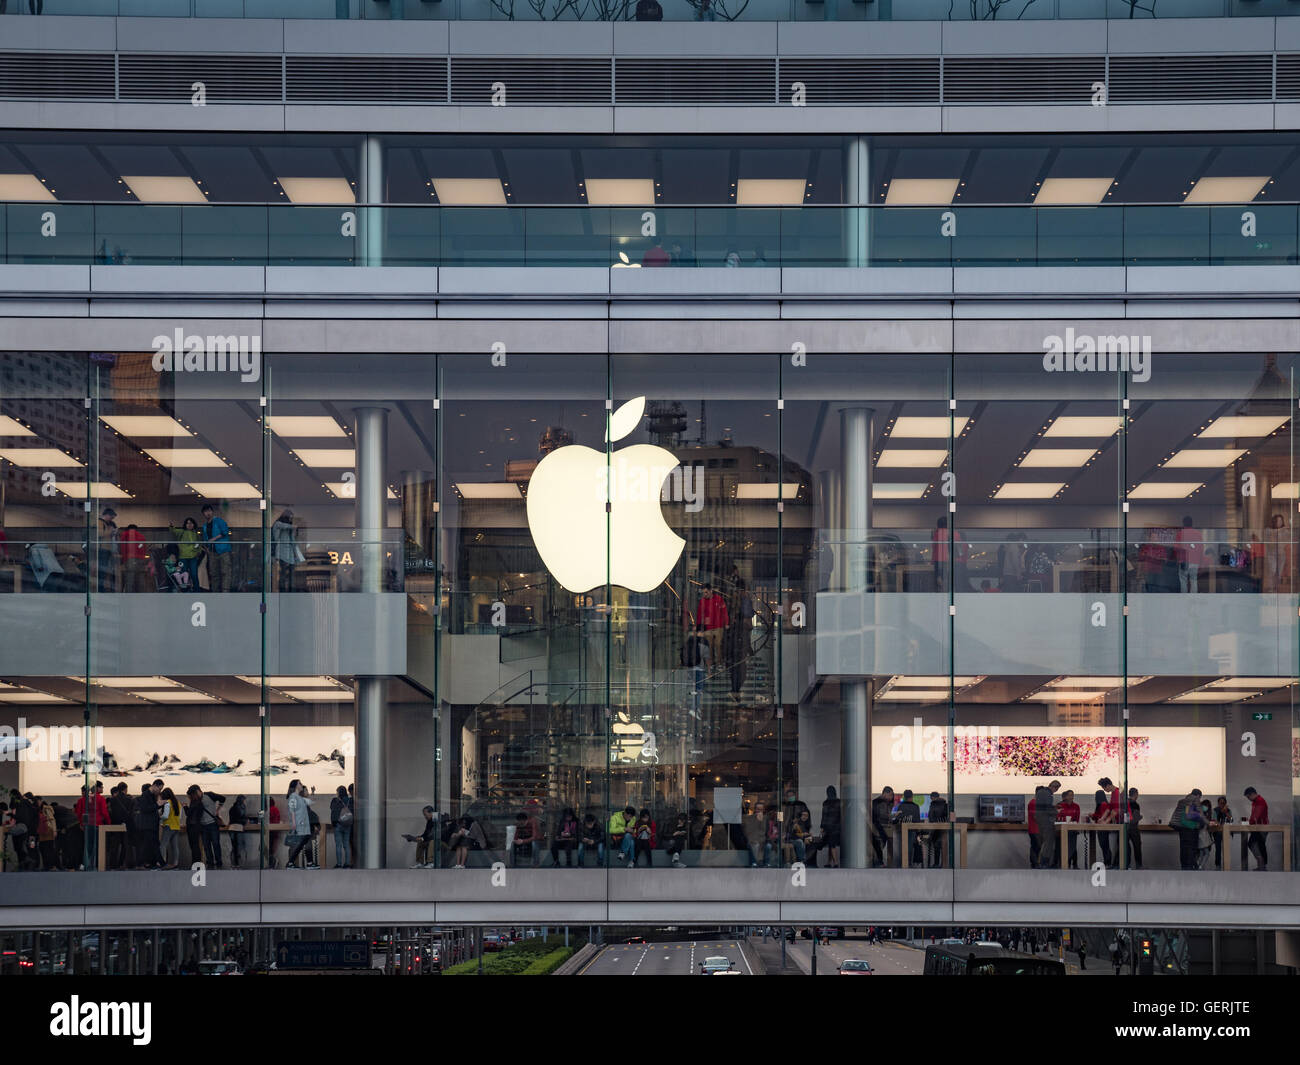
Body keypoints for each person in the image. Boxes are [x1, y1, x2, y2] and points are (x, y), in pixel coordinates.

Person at [1170, 788, 1207, 870]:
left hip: (1182, 829)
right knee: (1191, 849)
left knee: (1183, 848)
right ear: (1198, 795)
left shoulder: (1183, 801)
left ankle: (1184, 867)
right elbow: (1192, 815)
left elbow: (1184, 815)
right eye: (1200, 797)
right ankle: (1190, 867)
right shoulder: (1194, 801)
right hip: (1190, 829)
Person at [697, 584, 730, 673]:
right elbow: (700, 615)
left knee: (718, 644)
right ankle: (711, 664)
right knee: (710, 646)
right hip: (708, 628)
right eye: (703, 593)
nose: (705, 594)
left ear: (711, 591)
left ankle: (719, 663)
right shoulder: (702, 601)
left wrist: (726, 623)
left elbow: (724, 612)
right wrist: (699, 628)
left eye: (706, 592)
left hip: (718, 627)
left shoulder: (719, 599)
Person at [200, 503, 234, 592]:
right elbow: (205, 538)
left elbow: (225, 532)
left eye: (209, 511)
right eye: (205, 511)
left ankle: (225, 592)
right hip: (212, 552)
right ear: (203, 514)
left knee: (225, 571)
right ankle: (215, 592)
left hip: (223, 550)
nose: (208, 513)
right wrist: (206, 547)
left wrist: (213, 539)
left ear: (212, 511)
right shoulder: (204, 526)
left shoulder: (219, 521)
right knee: (214, 573)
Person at [270, 508, 304, 592]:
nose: (290, 519)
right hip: (282, 551)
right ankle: (282, 590)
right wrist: (293, 527)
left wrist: (296, 554)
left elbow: (292, 540)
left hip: (290, 552)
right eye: (289, 517)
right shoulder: (278, 524)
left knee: (291, 574)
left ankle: (291, 590)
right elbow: (281, 526)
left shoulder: (289, 528)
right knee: (283, 573)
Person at [284, 780, 315, 869]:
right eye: (300, 783)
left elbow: (311, 801)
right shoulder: (293, 797)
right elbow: (291, 809)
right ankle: (290, 863)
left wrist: (312, 792)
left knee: (303, 843)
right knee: (300, 844)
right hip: (299, 825)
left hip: (304, 825)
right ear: (296, 786)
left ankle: (308, 863)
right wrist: (293, 822)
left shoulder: (300, 798)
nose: (301, 785)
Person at [134, 781, 163, 870]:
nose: (159, 791)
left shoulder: (150, 795)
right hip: (148, 825)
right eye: (159, 789)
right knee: (151, 844)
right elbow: (146, 809)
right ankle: (161, 863)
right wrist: (158, 805)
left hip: (150, 825)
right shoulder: (146, 795)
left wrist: (157, 805)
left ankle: (156, 863)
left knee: (151, 845)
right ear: (154, 786)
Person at [1092, 777, 1119, 868]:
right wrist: (1102, 819)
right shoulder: (1113, 793)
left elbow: (1115, 810)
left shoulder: (1117, 793)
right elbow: (1109, 809)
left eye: (1104, 788)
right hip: (1113, 822)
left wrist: (1105, 821)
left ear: (1108, 785)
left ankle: (1114, 864)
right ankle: (1112, 864)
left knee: (1113, 845)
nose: (1104, 790)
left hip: (1122, 821)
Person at [169, 517, 203, 591]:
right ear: (185, 525)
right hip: (183, 557)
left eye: (191, 523)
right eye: (188, 523)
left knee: (194, 575)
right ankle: (184, 592)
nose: (189, 524)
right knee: (184, 575)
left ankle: (197, 591)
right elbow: (173, 531)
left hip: (193, 557)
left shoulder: (196, 534)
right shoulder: (182, 532)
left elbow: (199, 545)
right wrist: (171, 526)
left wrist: (198, 552)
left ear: (194, 524)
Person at [1033, 780, 1060, 868]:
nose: (1055, 791)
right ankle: (1045, 863)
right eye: (1056, 789)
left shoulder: (1040, 792)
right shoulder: (1048, 794)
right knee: (1049, 842)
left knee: (1044, 842)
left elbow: (1041, 806)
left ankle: (1040, 862)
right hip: (1046, 821)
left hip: (1040, 820)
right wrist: (1056, 811)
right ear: (1054, 787)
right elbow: (1047, 808)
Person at [1243, 787, 1269, 870]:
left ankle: (1262, 865)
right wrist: (1250, 821)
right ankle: (1261, 866)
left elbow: (1256, 816)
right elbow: (1254, 816)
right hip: (1258, 827)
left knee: (1256, 845)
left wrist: (1249, 822)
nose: (1248, 799)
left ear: (1252, 794)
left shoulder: (1260, 801)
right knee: (1257, 845)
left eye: (1248, 797)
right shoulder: (1256, 801)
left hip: (1261, 827)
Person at [119, 524, 149, 593]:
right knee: (140, 579)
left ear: (128, 529)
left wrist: (123, 560)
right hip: (141, 560)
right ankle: (140, 596)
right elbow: (143, 548)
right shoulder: (141, 536)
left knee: (130, 579)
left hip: (130, 559)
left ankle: (129, 598)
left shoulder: (125, 535)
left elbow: (123, 548)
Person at [1056, 789, 1082, 870]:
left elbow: (1077, 819)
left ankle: (1074, 864)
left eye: (1072, 795)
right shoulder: (1060, 805)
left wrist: (1073, 824)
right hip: (1062, 830)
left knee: (1073, 847)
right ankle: (1063, 864)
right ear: (1065, 796)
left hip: (1072, 829)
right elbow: (1057, 817)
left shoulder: (1076, 806)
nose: (1071, 797)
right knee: (1061, 847)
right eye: (1069, 795)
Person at [328, 786, 353, 868]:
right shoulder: (350, 800)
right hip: (347, 824)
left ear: (338, 792)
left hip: (338, 825)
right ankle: (347, 864)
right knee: (346, 844)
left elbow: (332, 809)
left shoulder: (335, 800)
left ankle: (339, 864)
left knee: (338, 845)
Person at [870, 786, 895, 867]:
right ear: (885, 793)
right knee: (880, 844)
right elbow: (883, 815)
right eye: (890, 795)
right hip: (879, 827)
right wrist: (893, 815)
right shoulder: (882, 803)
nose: (891, 798)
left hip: (875, 827)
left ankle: (878, 862)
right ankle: (878, 862)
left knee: (878, 845)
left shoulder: (875, 801)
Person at [1176, 515, 1201, 592]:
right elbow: (1201, 548)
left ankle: (1184, 599)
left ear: (1183, 523)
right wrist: (1200, 561)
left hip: (1184, 561)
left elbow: (1177, 548)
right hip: (1195, 561)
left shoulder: (1181, 533)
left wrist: (1178, 560)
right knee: (1194, 580)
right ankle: (1193, 599)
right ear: (1192, 523)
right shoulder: (1198, 533)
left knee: (1183, 580)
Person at [820, 785, 843, 868]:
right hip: (837, 827)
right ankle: (829, 862)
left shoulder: (826, 803)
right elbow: (841, 815)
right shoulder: (839, 802)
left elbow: (824, 815)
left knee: (831, 845)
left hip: (828, 827)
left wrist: (822, 827)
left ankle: (835, 863)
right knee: (831, 844)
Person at [97, 507, 119, 592]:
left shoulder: (108, 523)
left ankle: (102, 587)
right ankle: (100, 588)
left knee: (106, 570)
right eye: (111, 517)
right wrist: (112, 531)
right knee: (102, 570)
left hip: (107, 549)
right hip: (103, 549)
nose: (112, 519)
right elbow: (99, 533)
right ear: (107, 515)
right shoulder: (100, 523)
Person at [926, 790, 950, 868]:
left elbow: (930, 817)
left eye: (931, 798)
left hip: (935, 828)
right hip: (944, 829)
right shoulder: (946, 804)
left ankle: (935, 864)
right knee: (943, 846)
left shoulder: (933, 805)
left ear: (933, 797)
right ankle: (944, 864)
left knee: (935, 846)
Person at [159, 788, 181, 870]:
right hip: (176, 827)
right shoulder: (178, 803)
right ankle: (175, 863)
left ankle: (163, 862)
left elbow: (165, 816)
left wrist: (159, 817)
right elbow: (180, 816)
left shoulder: (167, 803)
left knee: (163, 845)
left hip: (168, 826)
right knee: (175, 846)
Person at [227, 794, 248, 868]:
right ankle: (239, 863)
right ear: (242, 800)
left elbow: (231, 819)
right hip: (238, 828)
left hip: (231, 828)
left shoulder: (232, 808)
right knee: (239, 847)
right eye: (244, 800)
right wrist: (245, 821)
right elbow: (243, 818)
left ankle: (233, 863)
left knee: (234, 847)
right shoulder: (242, 807)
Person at [1126, 788, 1144, 871]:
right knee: (1137, 847)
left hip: (1125, 828)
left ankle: (1127, 865)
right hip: (1133, 828)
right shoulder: (1135, 804)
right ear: (1135, 794)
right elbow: (1134, 819)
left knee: (1126, 847)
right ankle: (1138, 865)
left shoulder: (1125, 802)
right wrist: (1140, 817)